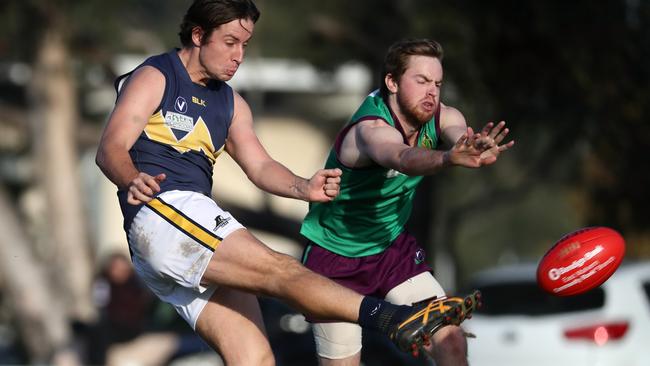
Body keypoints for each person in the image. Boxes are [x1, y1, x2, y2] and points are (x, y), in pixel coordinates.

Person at [95, 2, 478, 364]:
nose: (238, 56)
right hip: (165, 213)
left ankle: (394, 316)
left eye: (244, 45)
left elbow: (260, 166)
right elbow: (110, 147)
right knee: (280, 271)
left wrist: (304, 187)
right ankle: (392, 318)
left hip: (187, 234)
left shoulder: (231, 104)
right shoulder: (156, 76)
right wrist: (131, 177)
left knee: (256, 358)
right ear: (198, 35)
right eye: (229, 43)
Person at [300, 38, 515, 366]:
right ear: (392, 82)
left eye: (438, 84)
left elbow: (457, 131)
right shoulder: (370, 129)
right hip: (335, 260)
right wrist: (447, 159)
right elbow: (401, 156)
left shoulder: (441, 115)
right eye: (422, 81)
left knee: (452, 341)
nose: (432, 91)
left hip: (391, 252)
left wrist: (469, 146)